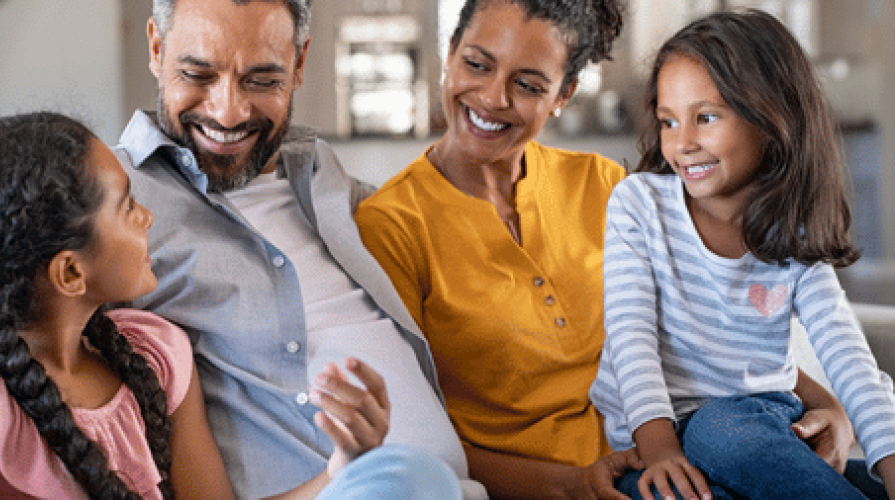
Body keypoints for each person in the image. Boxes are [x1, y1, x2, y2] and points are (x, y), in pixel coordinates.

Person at [0, 0, 480, 498]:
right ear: (157, 46)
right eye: (198, 72)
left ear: (301, 65)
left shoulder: (324, 177)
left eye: (262, 79)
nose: (226, 111)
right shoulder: (94, 206)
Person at [355, 1, 860, 498]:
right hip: (577, 485)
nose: (491, 97)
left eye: (528, 84)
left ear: (564, 93)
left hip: (687, 451)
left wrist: (830, 406)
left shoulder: (606, 186)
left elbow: (715, 328)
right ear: (449, 55)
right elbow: (412, 434)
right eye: (477, 64)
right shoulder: (391, 225)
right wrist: (573, 485)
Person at [588, 10, 895, 500]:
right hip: (659, 445)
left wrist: (889, 455)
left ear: (772, 119)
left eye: (705, 117)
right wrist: (659, 447)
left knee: (720, 429)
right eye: (668, 121)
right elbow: (631, 334)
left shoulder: (791, 237)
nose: (682, 142)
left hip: (754, 427)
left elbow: (847, 355)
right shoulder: (639, 205)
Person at [0, 111, 236, 498]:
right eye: (126, 206)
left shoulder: (156, 352)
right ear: (69, 273)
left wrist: (319, 482)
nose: (147, 218)